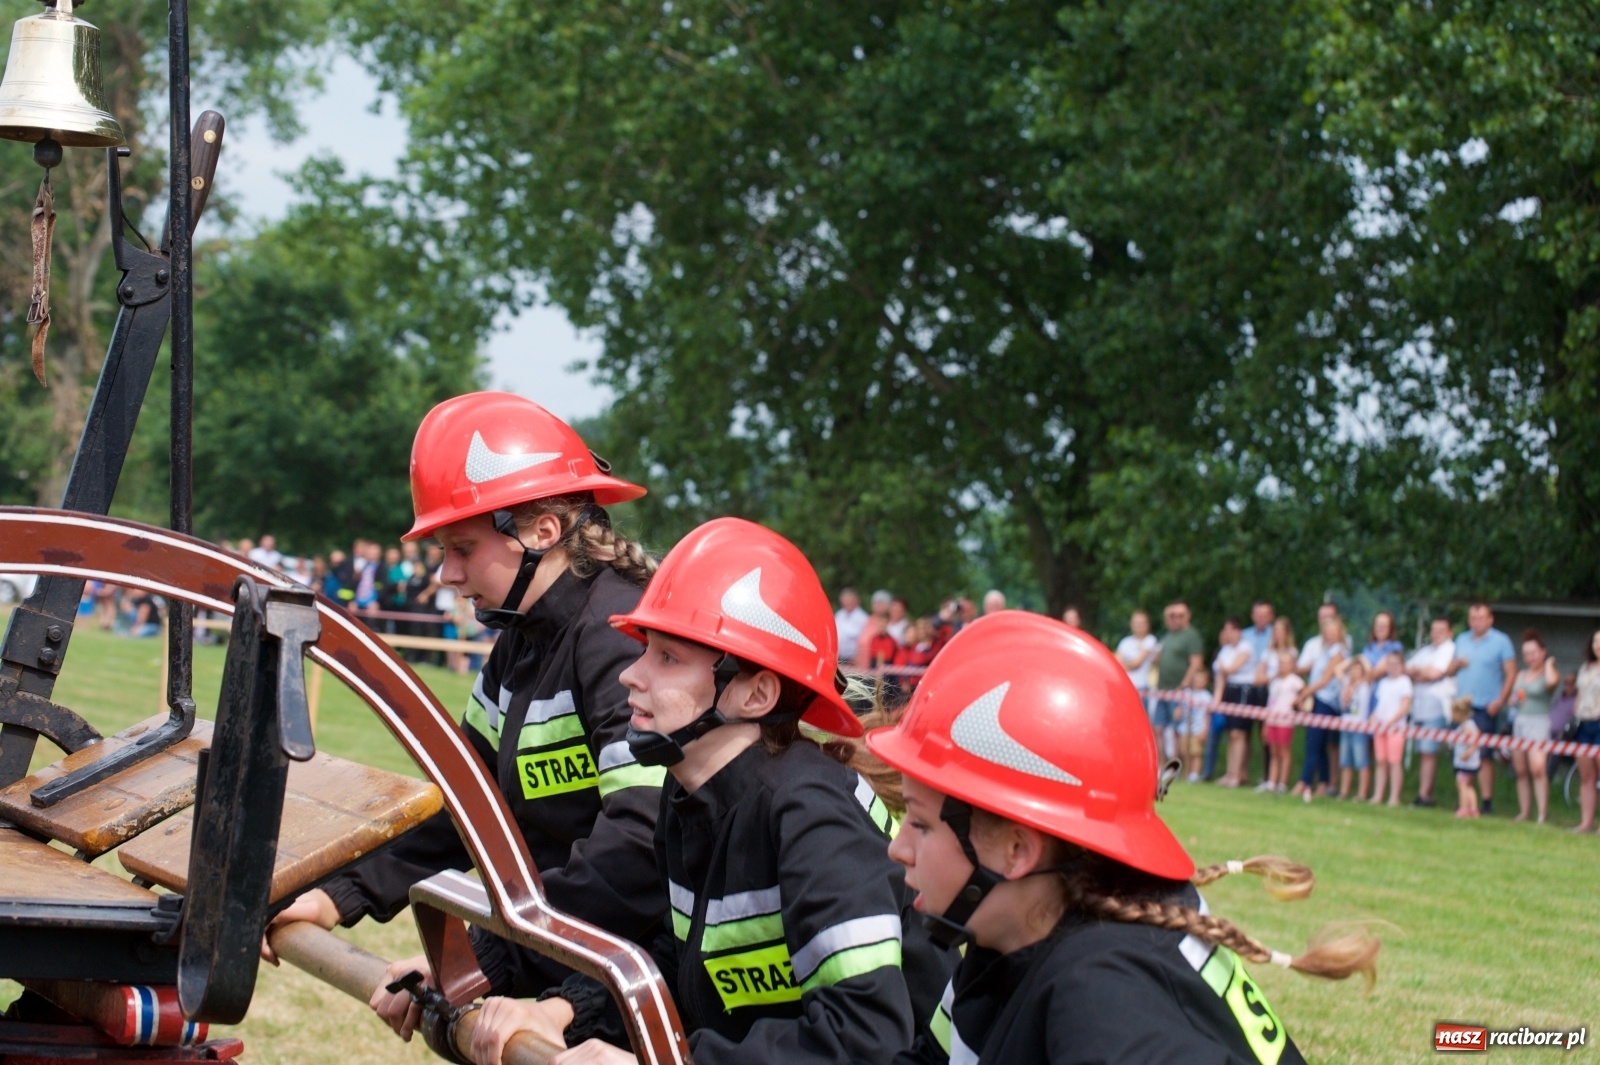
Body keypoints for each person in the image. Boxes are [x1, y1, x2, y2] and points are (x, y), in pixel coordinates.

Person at [467, 518, 953, 1065]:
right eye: (645, 648)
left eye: (667, 658)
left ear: (755, 694)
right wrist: (564, 1011)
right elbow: (687, 963)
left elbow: (863, 1040)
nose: (632, 674)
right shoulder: (691, 798)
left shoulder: (814, 818)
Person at [264, 392, 666, 1024]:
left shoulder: (618, 639)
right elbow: (467, 806)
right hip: (580, 952)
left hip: (658, 970)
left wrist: (483, 957)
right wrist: (336, 896)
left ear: (543, 531)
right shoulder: (520, 642)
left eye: (463, 547)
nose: (448, 574)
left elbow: (640, 843)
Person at [865, 612, 1378, 1064]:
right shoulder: (1006, 935)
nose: (897, 848)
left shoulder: (1105, 1003)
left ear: (1016, 851)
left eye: (922, 823)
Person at [1452, 602, 1517, 815]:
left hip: (1485, 706)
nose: (1476, 622)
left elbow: (1511, 672)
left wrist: (1500, 700)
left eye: (1480, 618)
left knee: (1483, 754)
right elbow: (1450, 670)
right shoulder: (1461, 639)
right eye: (1472, 618)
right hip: (1462, 707)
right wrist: (1455, 665)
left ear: (1490, 620)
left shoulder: (1501, 641)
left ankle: (1486, 801)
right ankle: (1464, 800)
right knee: (1461, 751)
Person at [1404, 617, 1458, 808]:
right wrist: (1422, 672)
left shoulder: (1449, 649)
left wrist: (1422, 673)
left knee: (1429, 751)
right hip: (1419, 708)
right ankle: (1422, 791)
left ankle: (1425, 795)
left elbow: (1435, 674)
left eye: (1441, 630)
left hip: (1436, 707)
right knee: (1423, 752)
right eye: (1434, 630)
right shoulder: (1426, 651)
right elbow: (1407, 669)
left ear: (1450, 632)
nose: (1436, 634)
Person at [1293, 615, 1348, 801]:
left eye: (1333, 631)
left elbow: (1325, 680)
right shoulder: (1326, 651)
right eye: (1327, 632)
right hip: (1318, 699)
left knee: (1314, 742)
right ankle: (1323, 782)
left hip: (1326, 701)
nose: (1330, 635)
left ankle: (1304, 781)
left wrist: (1304, 693)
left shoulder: (1338, 652)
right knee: (1318, 743)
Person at [1509, 630, 1558, 824]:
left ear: (1542, 652)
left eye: (1534, 652)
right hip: (1520, 721)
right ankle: (1524, 811)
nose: (1530, 657)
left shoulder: (1548, 672)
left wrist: (1548, 665)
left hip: (1538, 722)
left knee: (1538, 768)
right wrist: (1513, 700)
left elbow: (1552, 683)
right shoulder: (1521, 674)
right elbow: (1512, 700)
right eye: (1526, 654)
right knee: (1521, 770)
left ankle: (1542, 813)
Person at [1154, 601, 1206, 765]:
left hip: (1178, 690)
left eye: (1180, 615)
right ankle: (1160, 765)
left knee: (1177, 730)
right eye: (1172, 615)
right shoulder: (1167, 636)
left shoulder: (1191, 636)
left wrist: (1184, 684)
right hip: (1162, 689)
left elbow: (1196, 662)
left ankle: (1174, 766)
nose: (1175, 619)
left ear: (1187, 617)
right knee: (1158, 728)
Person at [1212, 619, 1256, 787]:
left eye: (1231, 630)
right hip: (1229, 691)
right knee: (1231, 734)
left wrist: (1224, 667)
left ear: (1238, 631)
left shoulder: (1246, 647)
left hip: (1243, 691)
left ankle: (1238, 774)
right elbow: (1221, 675)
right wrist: (1217, 699)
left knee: (1239, 733)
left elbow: (1230, 669)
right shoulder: (1226, 649)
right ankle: (1230, 773)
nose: (1228, 633)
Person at [1368, 652, 1412, 807]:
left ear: (1402, 666)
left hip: (1395, 728)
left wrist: (1391, 721)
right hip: (1380, 727)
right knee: (1380, 761)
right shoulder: (1384, 683)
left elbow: (1405, 705)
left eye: (1396, 664)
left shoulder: (1404, 682)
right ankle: (1378, 795)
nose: (1392, 667)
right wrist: (1373, 717)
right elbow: (1380, 704)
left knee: (1394, 762)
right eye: (1389, 664)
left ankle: (1394, 797)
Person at [1261, 649, 1303, 794]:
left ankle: (1282, 783)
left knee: (1284, 751)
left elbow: (1303, 695)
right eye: (1281, 663)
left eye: (1286, 663)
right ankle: (1271, 781)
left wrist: (1299, 704)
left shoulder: (1295, 681)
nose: (1283, 666)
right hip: (1272, 719)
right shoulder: (1275, 681)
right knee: (1274, 751)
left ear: (1292, 665)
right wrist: (1266, 723)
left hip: (1285, 721)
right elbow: (1270, 703)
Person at [1115, 609, 1159, 745]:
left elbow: (1137, 663)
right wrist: (1128, 663)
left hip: (1142, 689)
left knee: (1142, 728)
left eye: (1142, 622)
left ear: (1147, 624)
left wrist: (1126, 664)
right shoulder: (1125, 642)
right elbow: (1116, 663)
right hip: (1125, 689)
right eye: (1136, 622)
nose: (1139, 625)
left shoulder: (1150, 640)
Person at [1571, 629, 1600, 834]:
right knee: (1586, 775)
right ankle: (1586, 822)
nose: (1598, 645)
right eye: (1596, 641)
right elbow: (1579, 695)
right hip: (1584, 723)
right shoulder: (1585, 668)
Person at [1336, 657, 1372, 801]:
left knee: (1361, 761)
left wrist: (1362, 659)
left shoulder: (1366, 685)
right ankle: (1344, 792)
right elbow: (1337, 669)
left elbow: (1371, 672)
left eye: (1357, 669)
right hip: (1346, 725)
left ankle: (1362, 794)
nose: (1354, 672)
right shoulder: (1346, 683)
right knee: (1345, 761)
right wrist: (1353, 660)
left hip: (1359, 728)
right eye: (1352, 670)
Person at [1178, 667, 1213, 783]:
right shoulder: (1186, 693)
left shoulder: (1207, 696)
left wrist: (1205, 730)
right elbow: (1180, 707)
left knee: (1196, 752)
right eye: (1196, 679)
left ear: (1206, 682)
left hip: (1198, 729)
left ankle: (1194, 774)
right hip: (1185, 728)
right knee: (1184, 751)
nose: (1198, 682)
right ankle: (1185, 773)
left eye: (1201, 680)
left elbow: (1208, 716)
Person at [1450, 696, 1482, 819]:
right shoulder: (1469, 725)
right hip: (1470, 763)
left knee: (1462, 785)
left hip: (1466, 763)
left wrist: (1467, 753)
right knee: (1469, 786)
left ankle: (1464, 808)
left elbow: (1475, 742)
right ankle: (1473, 809)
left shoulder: (1467, 727)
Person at [835, 588, 869, 663]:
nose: (847, 603)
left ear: (856, 600)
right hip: (838, 658)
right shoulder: (839, 615)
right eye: (845, 600)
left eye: (849, 600)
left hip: (854, 660)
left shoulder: (863, 618)